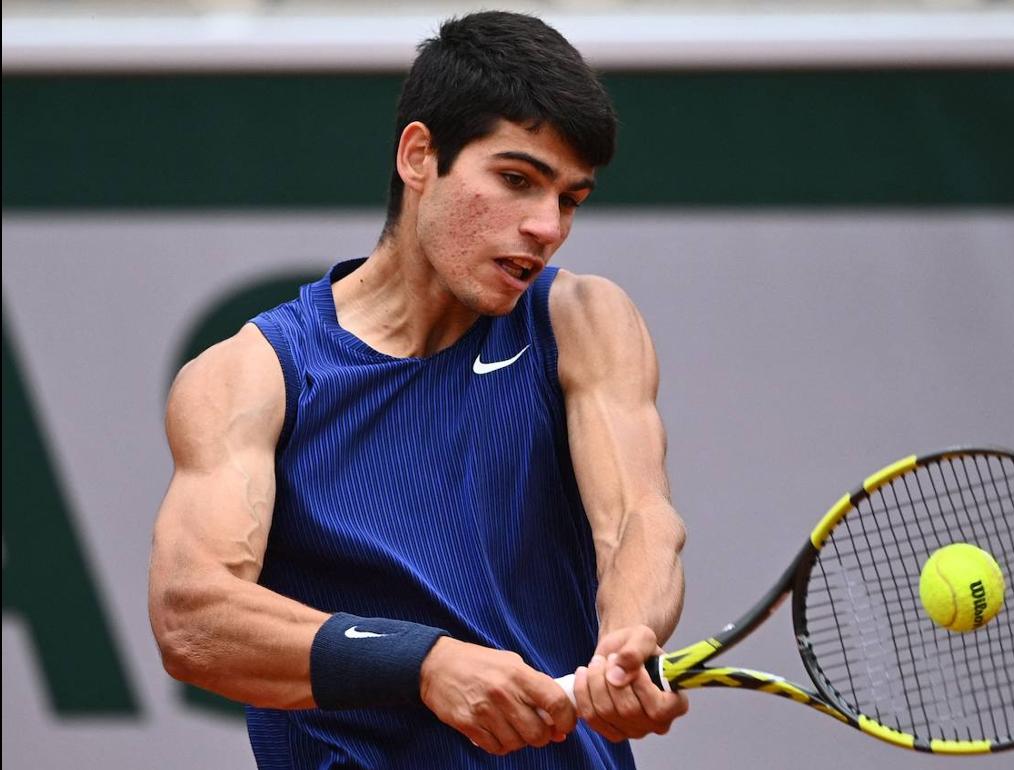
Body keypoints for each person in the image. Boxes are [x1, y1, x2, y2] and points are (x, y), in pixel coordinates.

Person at [147, 11, 688, 769]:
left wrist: (629, 638)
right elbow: (192, 617)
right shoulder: (253, 375)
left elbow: (639, 521)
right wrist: (425, 664)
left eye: (569, 199)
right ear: (418, 156)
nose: (545, 226)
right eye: (516, 180)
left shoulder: (584, 322)